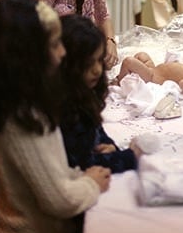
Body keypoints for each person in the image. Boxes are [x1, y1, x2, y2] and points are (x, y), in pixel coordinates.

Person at [0, 0, 111, 233]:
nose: (62, 52)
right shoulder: (23, 116)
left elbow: (49, 172)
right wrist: (91, 182)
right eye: (55, 43)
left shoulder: (16, 101)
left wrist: (79, 175)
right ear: (28, 54)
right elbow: (59, 200)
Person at [59, 14, 142, 173]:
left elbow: (97, 131)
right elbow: (82, 163)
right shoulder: (64, 108)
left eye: (99, 60)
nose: (97, 70)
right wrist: (131, 156)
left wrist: (111, 146)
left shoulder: (85, 93)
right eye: (88, 63)